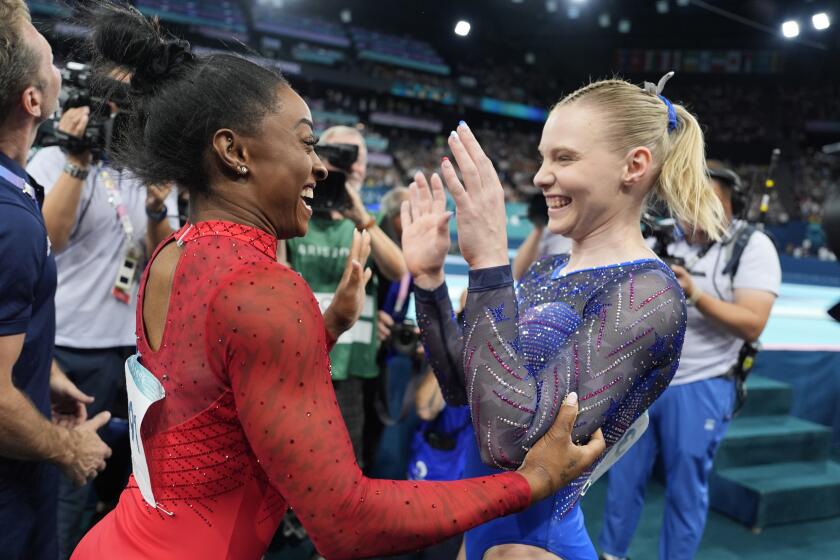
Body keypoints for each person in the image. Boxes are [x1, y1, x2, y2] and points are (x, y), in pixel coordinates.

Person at [71, 5, 605, 559]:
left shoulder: (171, 252)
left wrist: (323, 329)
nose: (321, 167)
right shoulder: (263, 288)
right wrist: (532, 481)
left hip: (122, 539)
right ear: (234, 152)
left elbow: (212, 392)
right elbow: (347, 522)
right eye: (305, 143)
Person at [404, 74, 727, 560]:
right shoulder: (549, 267)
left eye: (564, 158)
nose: (539, 176)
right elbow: (464, 390)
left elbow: (509, 443)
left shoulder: (647, 294)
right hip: (488, 525)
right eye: (541, 157)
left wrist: (490, 261)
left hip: (534, 541)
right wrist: (428, 283)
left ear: (633, 166)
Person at [27, 72, 179, 558]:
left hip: (131, 357)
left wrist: (158, 210)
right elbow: (49, 241)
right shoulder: (52, 159)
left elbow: (164, 267)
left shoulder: (146, 173)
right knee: (65, 491)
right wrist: (77, 160)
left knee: (126, 494)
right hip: (67, 353)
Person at [598, 165, 781, 560]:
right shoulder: (659, 239)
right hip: (644, 381)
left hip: (703, 381)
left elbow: (753, 323)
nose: (691, 214)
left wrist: (694, 294)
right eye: (685, 202)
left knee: (686, 487)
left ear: (728, 206)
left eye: (703, 202)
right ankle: (611, 554)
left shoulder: (752, 247)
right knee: (624, 478)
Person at [0, 2, 112, 558]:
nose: (62, 69)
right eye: (49, 58)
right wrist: (67, 449)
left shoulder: (16, 190)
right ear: (33, 100)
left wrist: (42, 370)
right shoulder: (13, 220)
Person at [283, 125, 407, 467]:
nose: (351, 165)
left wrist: (361, 218)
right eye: (341, 154)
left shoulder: (371, 220)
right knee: (293, 462)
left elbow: (399, 269)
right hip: (303, 361)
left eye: (358, 157)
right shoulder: (296, 215)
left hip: (353, 365)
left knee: (344, 464)